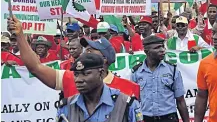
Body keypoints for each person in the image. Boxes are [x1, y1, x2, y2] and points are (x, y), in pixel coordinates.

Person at [7, 15, 141, 100]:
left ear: (105, 59)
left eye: (90, 50)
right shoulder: (70, 78)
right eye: (85, 50)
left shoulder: (129, 88)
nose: (84, 54)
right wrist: (20, 35)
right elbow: (35, 67)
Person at [56, 53, 144, 122]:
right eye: (76, 74)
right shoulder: (66, 106)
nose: (78, 79)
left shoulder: (126, 104)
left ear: (101, 73)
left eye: (86, 73)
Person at [132, 35, 191, 122]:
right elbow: (134, 102)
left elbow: (180, 101)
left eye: (162, 46)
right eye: (157, 47)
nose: (162, 50)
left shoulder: (172, 70)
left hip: (169, 120)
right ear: (147, 51)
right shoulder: (137, 72)